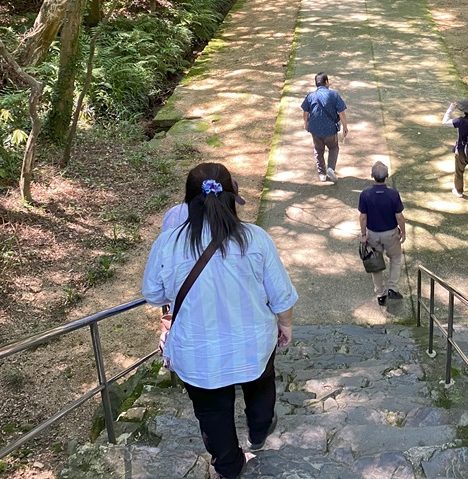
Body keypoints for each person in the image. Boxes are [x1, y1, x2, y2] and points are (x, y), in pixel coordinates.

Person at [143, 163, 297, 479]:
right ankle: (258, 431)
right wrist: (286, 325)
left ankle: (228, 465)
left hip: (198, 353)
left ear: (188, 200)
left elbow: (154, 294)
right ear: (231, 197)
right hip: (253, 344)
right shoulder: (255, 238)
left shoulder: (167, 244)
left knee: (211, 412)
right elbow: (281, 295)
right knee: (260, 388)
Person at [358, 160, 406, 306]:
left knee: (376, 264)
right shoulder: (393, 194)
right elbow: (399, 216)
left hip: (373, 234)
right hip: (391, 233)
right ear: (386, 176)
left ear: (372, 176)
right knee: (396, 259)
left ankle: (380, 293)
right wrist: (403, 231)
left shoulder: (365, 194)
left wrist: (363, 234)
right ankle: (393, 287)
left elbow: (363, 216)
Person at [301, 72, 349, 183]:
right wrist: (345, 126)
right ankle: (331, 168)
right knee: (333, 148)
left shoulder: (310, 96)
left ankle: (322, 173)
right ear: (326, 82)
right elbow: (341, 112)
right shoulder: (334, 95)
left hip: (315, 130)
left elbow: (305, 111)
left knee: (318, 150)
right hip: (330, 130)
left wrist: (305, 123)